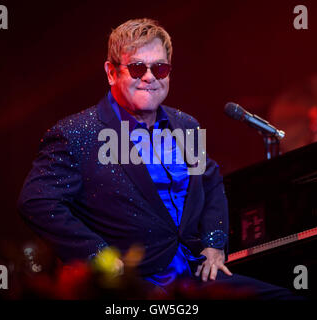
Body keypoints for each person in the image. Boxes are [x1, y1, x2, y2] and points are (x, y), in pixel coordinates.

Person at [18, 18, 300, 299]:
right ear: (111, 72)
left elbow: (212, 182)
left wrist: (215, 244)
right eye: (137, 67)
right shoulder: (76, 132)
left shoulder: (186, 125)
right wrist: (98, 257)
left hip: (195, 278)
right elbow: (37, 201)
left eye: (160, 68)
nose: (150, 77)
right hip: (133, 287)